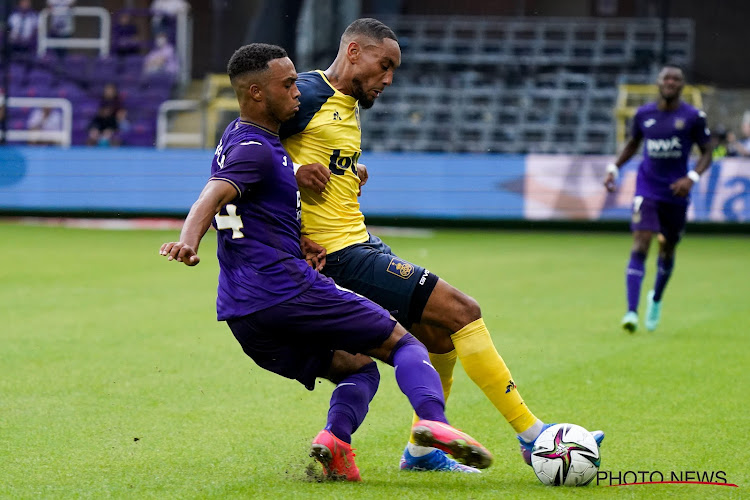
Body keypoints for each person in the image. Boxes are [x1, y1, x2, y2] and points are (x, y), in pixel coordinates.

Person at [281, 18, 604, 473]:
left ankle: (421, 453)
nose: (389, 78)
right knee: (462, 311)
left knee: (437, 336)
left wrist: (349, 170)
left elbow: (310, 156)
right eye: (385, 65)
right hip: (338, 256)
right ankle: (534, 436)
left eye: (394, 69)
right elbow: (249, 154)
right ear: (354, 52)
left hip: (360, 242)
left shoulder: (347, 103)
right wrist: (294, 197)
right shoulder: (307, 95)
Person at [159, 43, 493, 481]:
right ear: (257, 93)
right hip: (287, 290)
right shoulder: (257, 151)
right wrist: (188, 240)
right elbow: (214, 194)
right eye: (288, 83)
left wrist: (301, 239)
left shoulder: (239, 141)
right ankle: (433, 422)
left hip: (244, 314)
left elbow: (251, 209)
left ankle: (335, 445)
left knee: (357, 367)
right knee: (406, 344)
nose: (298, 90)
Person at [604, 64, 713, 332]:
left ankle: (656, 298)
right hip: (647, 188)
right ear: (658, 82)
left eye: (676, 78)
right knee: (641, 243)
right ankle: (631, 311)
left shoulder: (693, 117)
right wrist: (614, 168)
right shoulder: (643, 114)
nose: (671, 82)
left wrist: (692, 178)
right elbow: (633, 143)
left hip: (676, 192)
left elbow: (708, 151)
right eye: (666, 78)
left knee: (668, 248)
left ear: (682, 85)